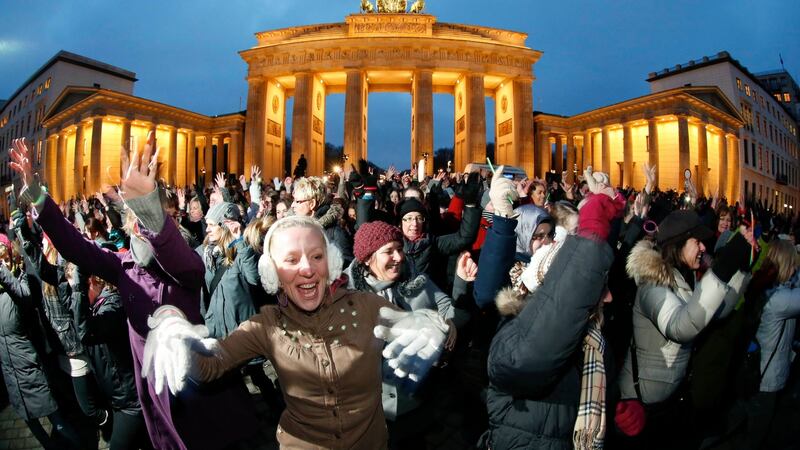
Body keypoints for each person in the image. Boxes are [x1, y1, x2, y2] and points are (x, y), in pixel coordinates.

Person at [9, 136, 256, 450]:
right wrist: (35, 193)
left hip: (200, 390)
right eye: (133, 217)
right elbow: (74, 246)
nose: (140, 224)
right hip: (155, 392)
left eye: (148, 217)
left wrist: (149, 208)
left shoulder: (184, 261)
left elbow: (180, 260)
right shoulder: (122, 265)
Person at [141, 215, 451, 449]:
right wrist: (175, 332)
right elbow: (210, 365)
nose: (306, 268)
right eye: (291, 260)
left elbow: (417, 327)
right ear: (272, 272)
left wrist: (432, 324)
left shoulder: (366, 305)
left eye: (316, 257)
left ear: (330, 262)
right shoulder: (267, 324)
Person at [478, 168, 622, 450]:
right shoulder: (521, 308)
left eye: (548, 235)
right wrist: (505, 221)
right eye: (537, 235)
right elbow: (488, 294)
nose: (544, 241)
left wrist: (618, 413)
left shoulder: (593, 335)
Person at [615, 209, 753, 444]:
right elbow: (682, 327)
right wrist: (725, 264)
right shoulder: (652, 284)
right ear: (678, 244)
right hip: (642, 410)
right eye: (697, 242)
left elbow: (717, 311)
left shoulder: (682, 278)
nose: (703, 248)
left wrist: (741, 268)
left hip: (670, 403)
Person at [343, 220, 465, 448]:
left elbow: (446, 306)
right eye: (388, 251)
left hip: (415, 401)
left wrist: (448, 318)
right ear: (368, 258)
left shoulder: (415, 279)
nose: (399, 257)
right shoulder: (345, 295)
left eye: (399, 249)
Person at [0, 233, 82, 449]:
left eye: (5, 258)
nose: (3, 263)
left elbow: (25, 298)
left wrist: (2, 271)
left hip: (30, 365)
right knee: (33, 425)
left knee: (57, 419)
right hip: (11, 371)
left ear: (12, 256)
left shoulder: (20, 279)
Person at [736, 239, 799, 449]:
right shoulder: (780, 300)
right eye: (793, 264)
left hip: (754, 373)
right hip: (767, 380)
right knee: (756, 436)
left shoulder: (765, 287)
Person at [291, 176, 355, 267]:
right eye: (293, 200)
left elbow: (347, 268)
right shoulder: (292, 230)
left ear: (312, 204)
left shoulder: (335, 233)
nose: (292, 205)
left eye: (297, 201)